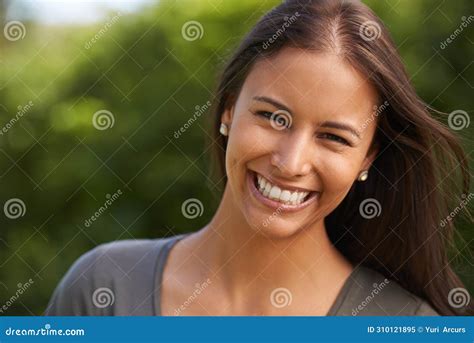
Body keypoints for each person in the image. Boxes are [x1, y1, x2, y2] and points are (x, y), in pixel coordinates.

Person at [45, 0, 473, 316]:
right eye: (273, 117)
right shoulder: (104, 288)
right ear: (229, 109)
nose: (290, 163)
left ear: (367, 158)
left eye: (333, 137)